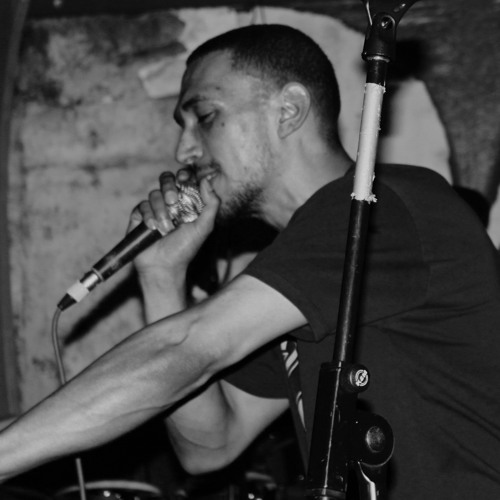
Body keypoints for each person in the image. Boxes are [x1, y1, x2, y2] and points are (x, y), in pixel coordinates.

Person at [1, 24, 500, 499]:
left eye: (205, 116)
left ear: (288, 111)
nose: (183, 149)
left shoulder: (377, 209)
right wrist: (161, 278)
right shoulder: (298, 270)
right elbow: (211, 445)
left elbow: (188, 345)